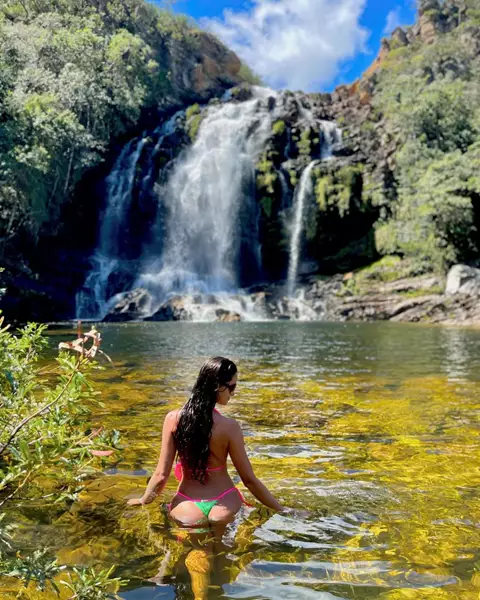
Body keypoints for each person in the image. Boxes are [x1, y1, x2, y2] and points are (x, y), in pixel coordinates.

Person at [127, 356, 283, 539]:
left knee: (189, 553)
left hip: (187, 505)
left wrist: (143, 500)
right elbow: (249, 480)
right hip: (225, 501)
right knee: (223, 553)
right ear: (218, 386)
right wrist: (281, 509)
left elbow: (161, 475)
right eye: (232, 387)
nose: (233, 392)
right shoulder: (229, 427)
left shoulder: (173, 420)